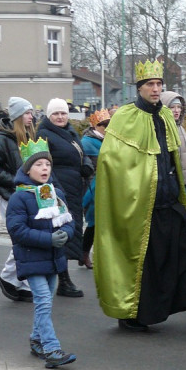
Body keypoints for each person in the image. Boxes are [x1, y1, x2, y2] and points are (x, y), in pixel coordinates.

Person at [94, 59, 186, 332]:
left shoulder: (165, 116)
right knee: (148, 262)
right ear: (139, 88)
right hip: (142, 207)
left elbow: (172, 158)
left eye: (159, 84)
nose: (155, 88)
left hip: (170, 201)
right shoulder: (125, 117)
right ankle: (134, 314)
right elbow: (112, 164)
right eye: (150, 84)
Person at [6, 138, 77, 368]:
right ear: (27, 169)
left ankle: (36, 339)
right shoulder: (19, 197)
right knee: (44, 301)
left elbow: (67, 220)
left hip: (54, 258)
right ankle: (51, 349)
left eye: (47, 164)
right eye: (38, 165)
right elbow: (17, 230)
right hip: (31, 258)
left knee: (46, 302)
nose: (44, 168)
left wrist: (66, 233)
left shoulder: (54, 193)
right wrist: (48, 239)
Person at [0, 97, 37, 302]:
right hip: (11, 197)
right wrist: (15, 181)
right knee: (22, 239)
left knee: (25, 239)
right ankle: (8, 278)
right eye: (26, 113)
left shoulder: (28, 137)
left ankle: (20, 282)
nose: (31, 116)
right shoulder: (2, 139)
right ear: (17, 116)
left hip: (27, 196)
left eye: (31, 112)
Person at [38, 99, 92, 298]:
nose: (60, 117)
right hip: (57, 191)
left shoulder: (70, 132)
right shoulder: (44, 134)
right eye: (55, 114)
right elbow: (41, 164)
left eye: (63, 113)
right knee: (59, 235)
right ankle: (63, 281)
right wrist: (54, 189)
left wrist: (86, 164)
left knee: (69, 233)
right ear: (49, 116)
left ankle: (59, 279)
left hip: (74, 190)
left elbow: (81, 153)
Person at [79, 108, 110, 270]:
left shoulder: (108, 140)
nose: (106, 128)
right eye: (103, 125)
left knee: (102, 223)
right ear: (95, 126)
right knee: (94, 223)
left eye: (108, 124)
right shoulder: (87, 143)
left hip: (107, 186)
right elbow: (88, 167)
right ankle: (84, 253)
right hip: (92, 188)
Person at [160, 91, 186, 206]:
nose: (177, 110)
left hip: (184, 185)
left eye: (179, 107)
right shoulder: (162, 130)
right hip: (171, 186)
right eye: (172, 107)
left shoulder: (181, 128)